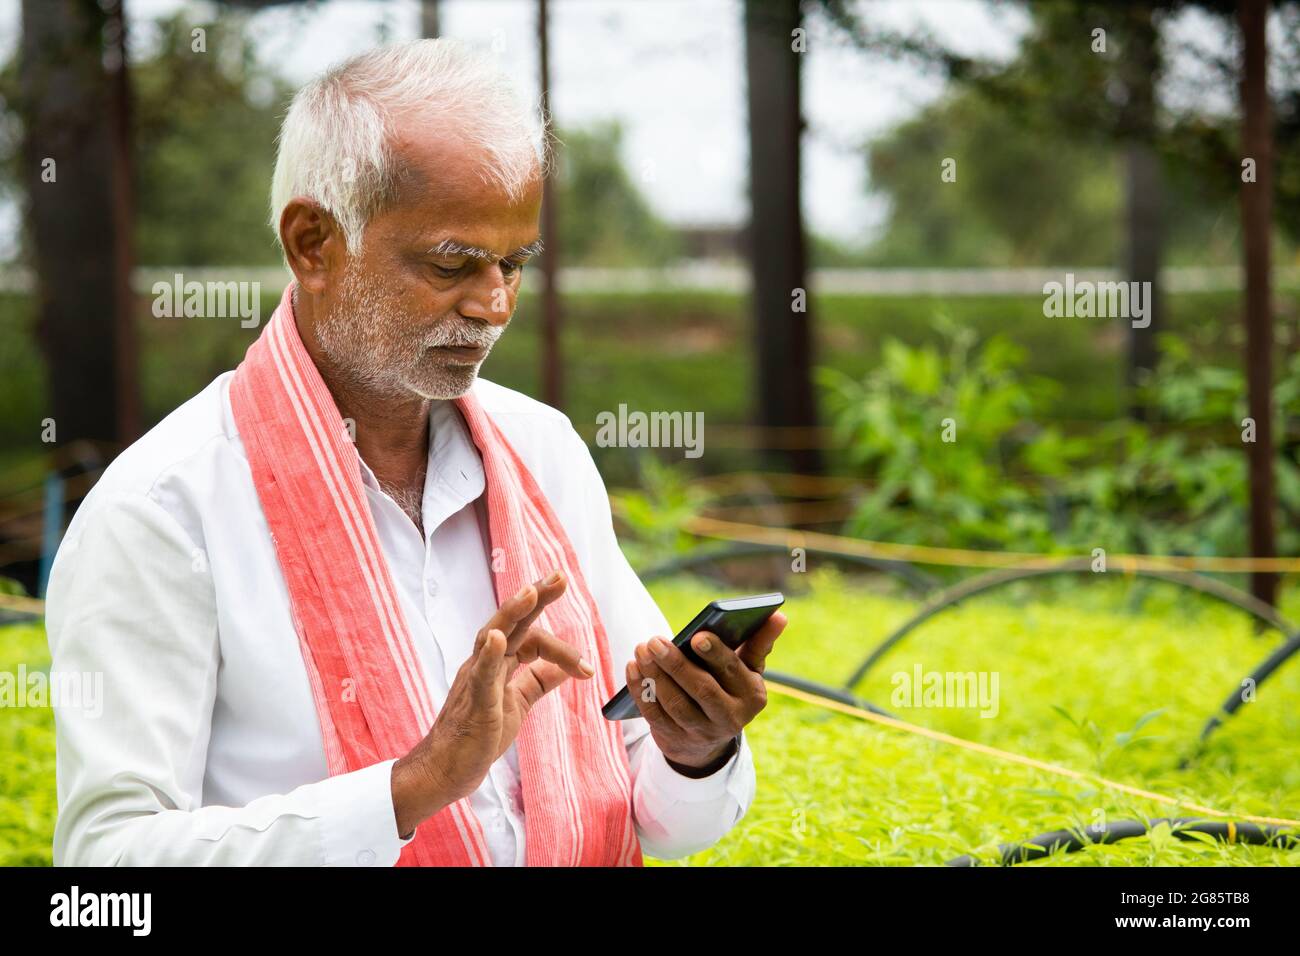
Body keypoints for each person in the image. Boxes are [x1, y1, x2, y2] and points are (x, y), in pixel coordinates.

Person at [46, 37, 786, 867]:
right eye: (450, 263)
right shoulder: (165, 505)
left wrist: (696, 749)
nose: (494, 303)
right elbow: (107, 866)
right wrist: (412, 787)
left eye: (513, 262)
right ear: (313, 244)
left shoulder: (542, 454)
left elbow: (665, 817)